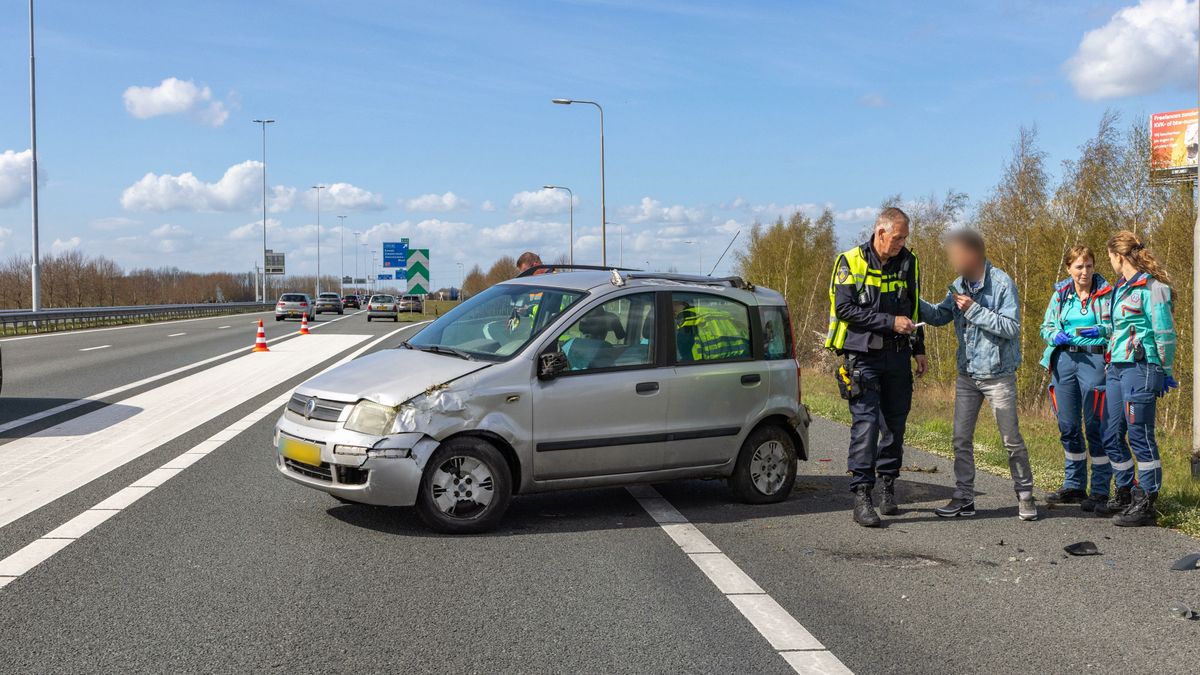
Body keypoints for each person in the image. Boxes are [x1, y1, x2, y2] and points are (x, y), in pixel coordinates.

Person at [920, 228, 1037, 521]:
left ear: (973, 254)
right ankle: (964, 499)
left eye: (956, 254)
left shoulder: (1001, 284)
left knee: (1011, 440)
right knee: (960, 439)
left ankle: (1025, 496)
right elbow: (937, 316)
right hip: (967, 374)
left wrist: (974, 310)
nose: (952, 260)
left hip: (998, 375)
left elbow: (1011, 327)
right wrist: (911, 297)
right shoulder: (958, 285)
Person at [824, 207, 926, 528]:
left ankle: (887, 485)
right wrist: (889, 322)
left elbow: (914, 305)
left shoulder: (909, 262)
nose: (902, 243)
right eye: (898, 237)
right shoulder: (849, 261)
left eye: (905, 237)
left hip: (897, 357)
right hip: (862, 357)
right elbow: (844, 308)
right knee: (866, 425)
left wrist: (919, 349)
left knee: (895, 425)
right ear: (880, 232)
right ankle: (862, 495)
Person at [1080, 231, 1177, 527]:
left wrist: (1165, 370)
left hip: (1141, 367)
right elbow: (1117, 327)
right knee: (1110, 433)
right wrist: (1099, 332)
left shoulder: (1154, 288)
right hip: (1117, 368)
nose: (1109, 263)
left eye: (1109, 257)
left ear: (1118, 256)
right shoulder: (1119, 288)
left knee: (1140, 435)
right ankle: (1126, 491)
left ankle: (1147, 501)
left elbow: (1164, 333)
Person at [1039, 246, 1113, 511]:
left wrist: (1102, 329)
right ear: (1069, 268)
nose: (1085, 272)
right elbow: (1046, 326)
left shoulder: (1106, 294)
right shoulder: (1060, 295)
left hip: (1095, 360)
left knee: (1096, 426)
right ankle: (1074, 485)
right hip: (1064, 361)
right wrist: (1053, 335)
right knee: (1068, 426)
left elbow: (1119, 325)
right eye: (1079, 267)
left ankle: (1101, 489)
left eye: (1089, 266)